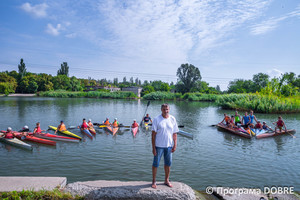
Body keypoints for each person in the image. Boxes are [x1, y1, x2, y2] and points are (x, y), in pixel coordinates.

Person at [151, 103, 178, 189]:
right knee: (155, 164)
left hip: (169, 146)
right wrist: (153, 148)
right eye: (164, 109)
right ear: (161, 110)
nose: (165, 111)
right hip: (158, 146)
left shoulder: (172, 119)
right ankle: (154, 181)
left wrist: (175, 145)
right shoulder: (156, 119)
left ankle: (166, 180)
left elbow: (174, 133)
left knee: (168, 164)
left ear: (169, 109)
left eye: (167, 109)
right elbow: (153, 135)